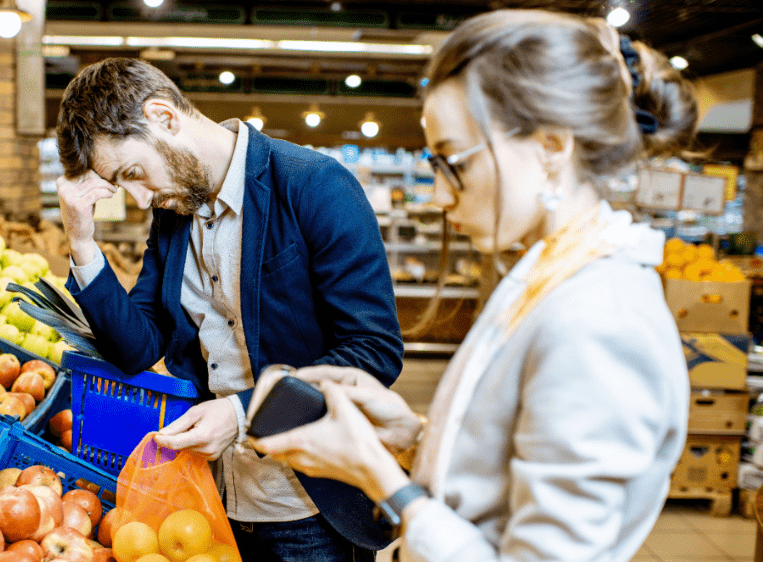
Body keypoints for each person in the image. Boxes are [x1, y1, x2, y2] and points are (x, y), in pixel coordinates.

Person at [251, 9, 696, 562]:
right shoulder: (551, 273)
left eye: (452, 162)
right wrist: (411, 436)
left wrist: (379, 475)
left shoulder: (599, 318)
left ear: (553, 146)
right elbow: (509, 475)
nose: (439, 195)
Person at [54, 58, 404, 561]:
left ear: (165, 117)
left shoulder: (313, 186)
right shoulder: (173, 216)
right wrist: (83, 243)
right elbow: (138, 347)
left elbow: (373, 350)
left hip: (309, 503)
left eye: (133, 173)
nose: (138, 198)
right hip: (212, 502)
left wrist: (242, 414)